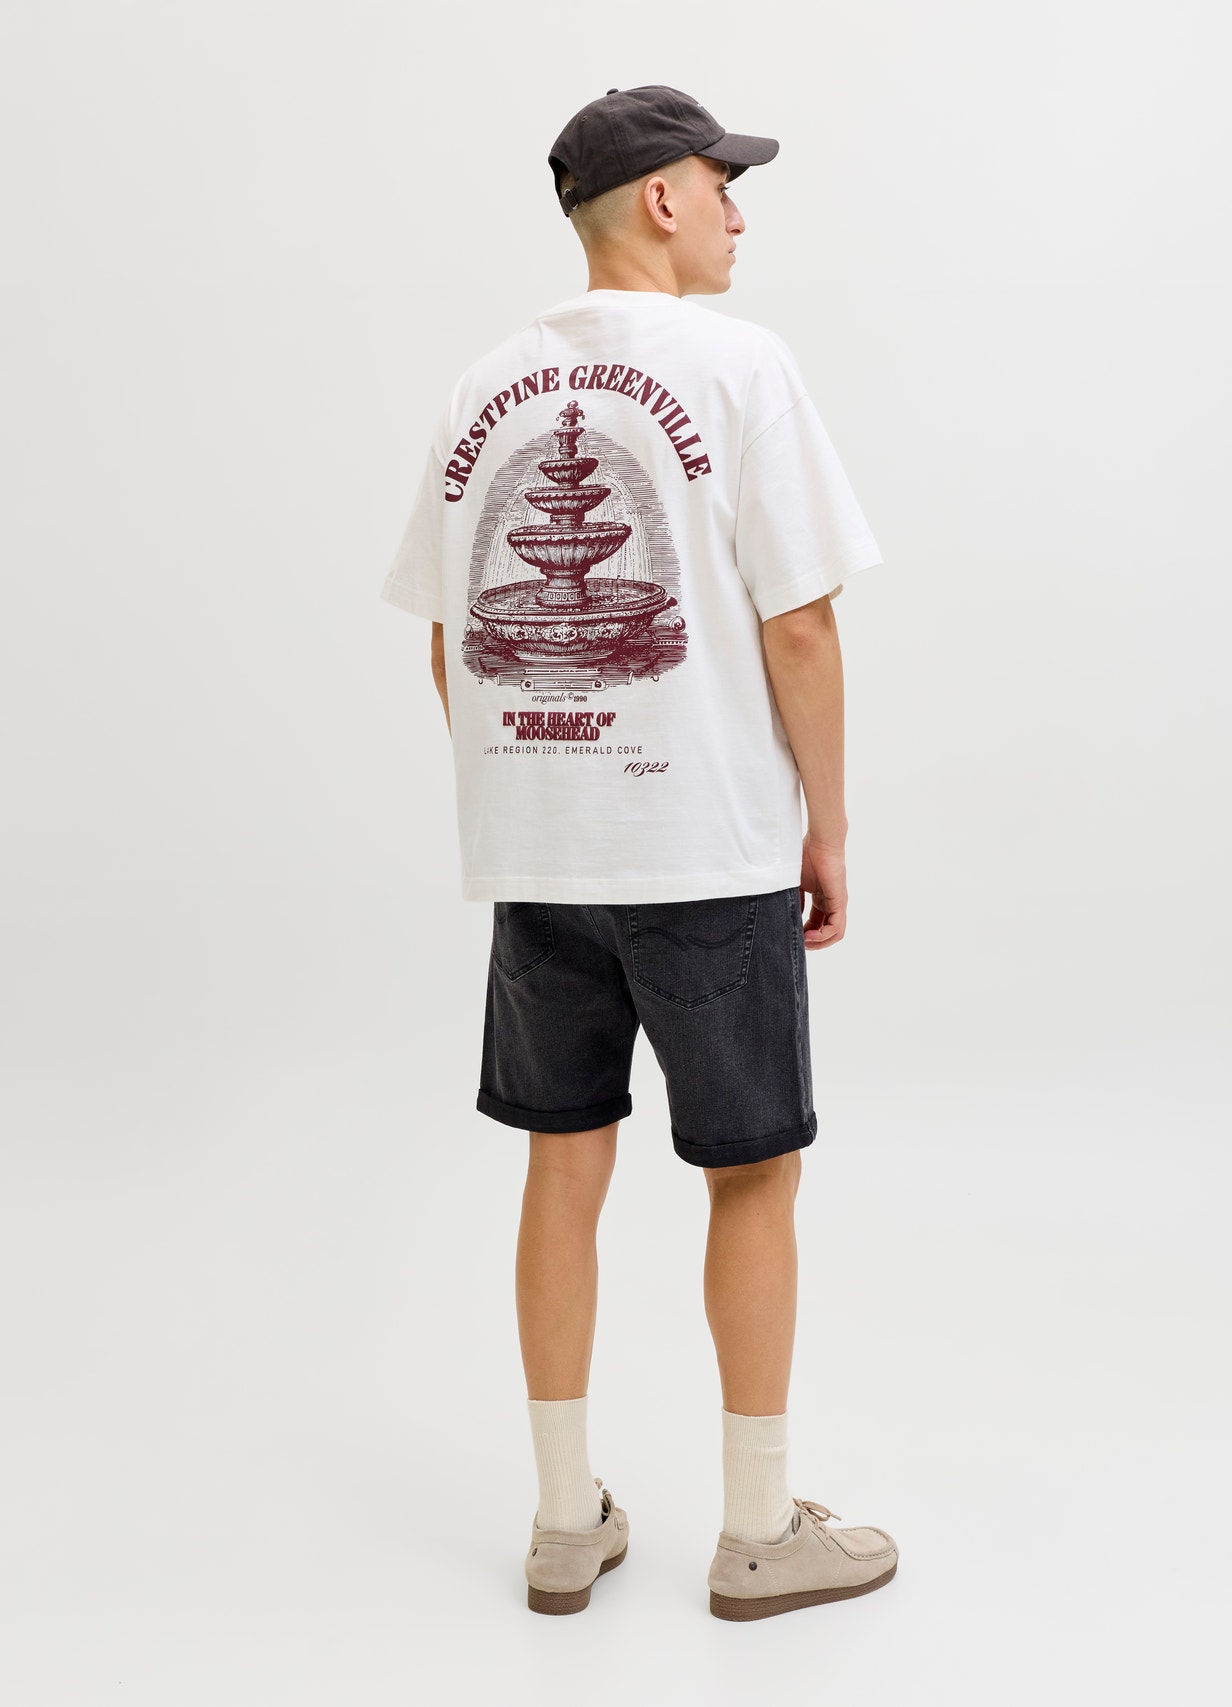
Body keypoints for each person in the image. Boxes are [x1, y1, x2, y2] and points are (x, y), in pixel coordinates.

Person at [380, 84, 898, 1622]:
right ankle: (759, 1532)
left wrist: (537, 790)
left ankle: (562, 1522)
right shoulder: (740, 367)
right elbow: (801, 625)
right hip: (706, 853)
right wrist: (827, 824)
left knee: (563, 1163)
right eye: (723, 183)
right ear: (660, 200)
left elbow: (452, 642)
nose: (741, 211)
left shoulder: (484, 385)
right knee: (755, 1174)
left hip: (543, 863)